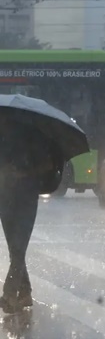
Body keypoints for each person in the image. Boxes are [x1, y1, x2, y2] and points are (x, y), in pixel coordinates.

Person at [0, 114, 59, 314]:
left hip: (26, 198)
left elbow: (48, 165)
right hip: (5, 199)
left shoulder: (32, 137)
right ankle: (25, 293)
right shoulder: (2, 138)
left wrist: (23, 173)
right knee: (15, 249)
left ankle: (9, 294)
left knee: (18, 247)